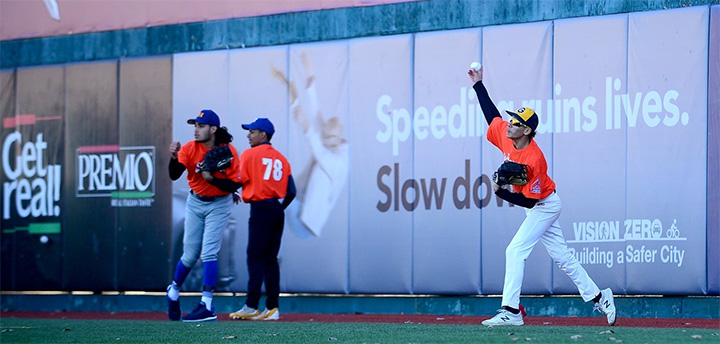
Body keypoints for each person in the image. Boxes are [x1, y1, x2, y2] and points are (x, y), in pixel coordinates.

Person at [468, 66, 616, 326]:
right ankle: (599, 296)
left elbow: (531, 201)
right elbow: (491, 115)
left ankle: (511, 311)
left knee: (515, 250)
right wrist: (478, 84)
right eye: (512, 120)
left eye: (516, 122)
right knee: (563, 258)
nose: (510, 123)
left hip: (545, 206)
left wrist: (501, 192)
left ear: (526, 131)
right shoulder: (507, 136)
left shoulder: (535, 159)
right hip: (536, 206)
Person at [166, 109, 242, 322]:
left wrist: (212, 179)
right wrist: (173, 158)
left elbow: (235, 184)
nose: (196, 130)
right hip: (195, 202)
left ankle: (206, 305)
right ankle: (173, 292)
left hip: (220, 203)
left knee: (209, 252)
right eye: (195, 126)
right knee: (189, 255)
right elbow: (174, 174)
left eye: (201, 126)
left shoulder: (227, 151)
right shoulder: (190, 148)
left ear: (213, 129)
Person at [229, 117, 296, 321]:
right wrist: (277, 208)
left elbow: (237, 181)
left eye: (252, 131)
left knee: (255, 257)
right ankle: (272, 308)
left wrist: (217, 181)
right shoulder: (282, 159)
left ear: (263, 135)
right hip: (276, 209)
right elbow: (292, 191)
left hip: (260, 209)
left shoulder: (250, 154)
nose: (248, 135)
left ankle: (251, 305)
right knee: (270, 259)